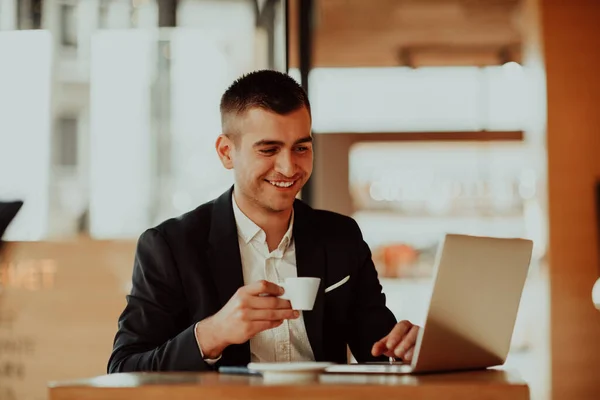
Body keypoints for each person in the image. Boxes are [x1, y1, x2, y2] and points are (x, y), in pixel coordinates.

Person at [107, 70, 419, 372]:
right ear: (227, 152)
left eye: (301, 148)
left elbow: (378, 351)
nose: (288, 167)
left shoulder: (340, 236)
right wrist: (213, 333)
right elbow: (124, 368)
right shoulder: (171, 246)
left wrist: (406, 350)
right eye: (269, 149)